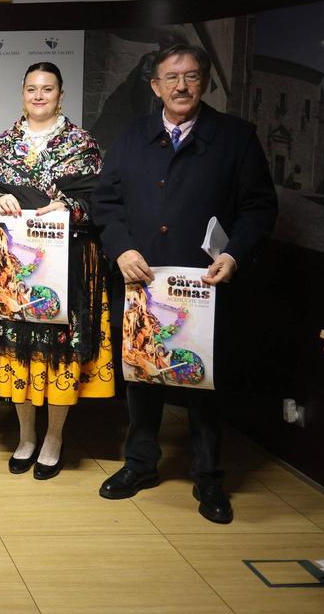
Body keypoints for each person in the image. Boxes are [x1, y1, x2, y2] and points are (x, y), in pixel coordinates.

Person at [93, 43, 277, 524]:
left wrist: (234, 254)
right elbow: (105, 204)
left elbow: (259, 207)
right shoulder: (132, 135)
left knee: (203, 385)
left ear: (205, 82)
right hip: (142, 281)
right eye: (171, 78)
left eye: (191, 77)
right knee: (142, 378)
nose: (181, 86)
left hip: (204, 288)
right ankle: (140, 465)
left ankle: (210, 478)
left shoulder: (236, 138)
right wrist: (122, 249)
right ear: (154, 87)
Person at [0, 62, 114, 481]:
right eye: (32, 88)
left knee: (59, 355)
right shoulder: (5, 142)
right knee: (21, 350)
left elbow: (99, 201)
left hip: (66, 268)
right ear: (22, 93)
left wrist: (68, 208)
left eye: (47, 89)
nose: (39, 96)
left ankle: (54, 439)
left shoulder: (81, 143)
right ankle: (26, 436)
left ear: (61, 95)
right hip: (14, 268)